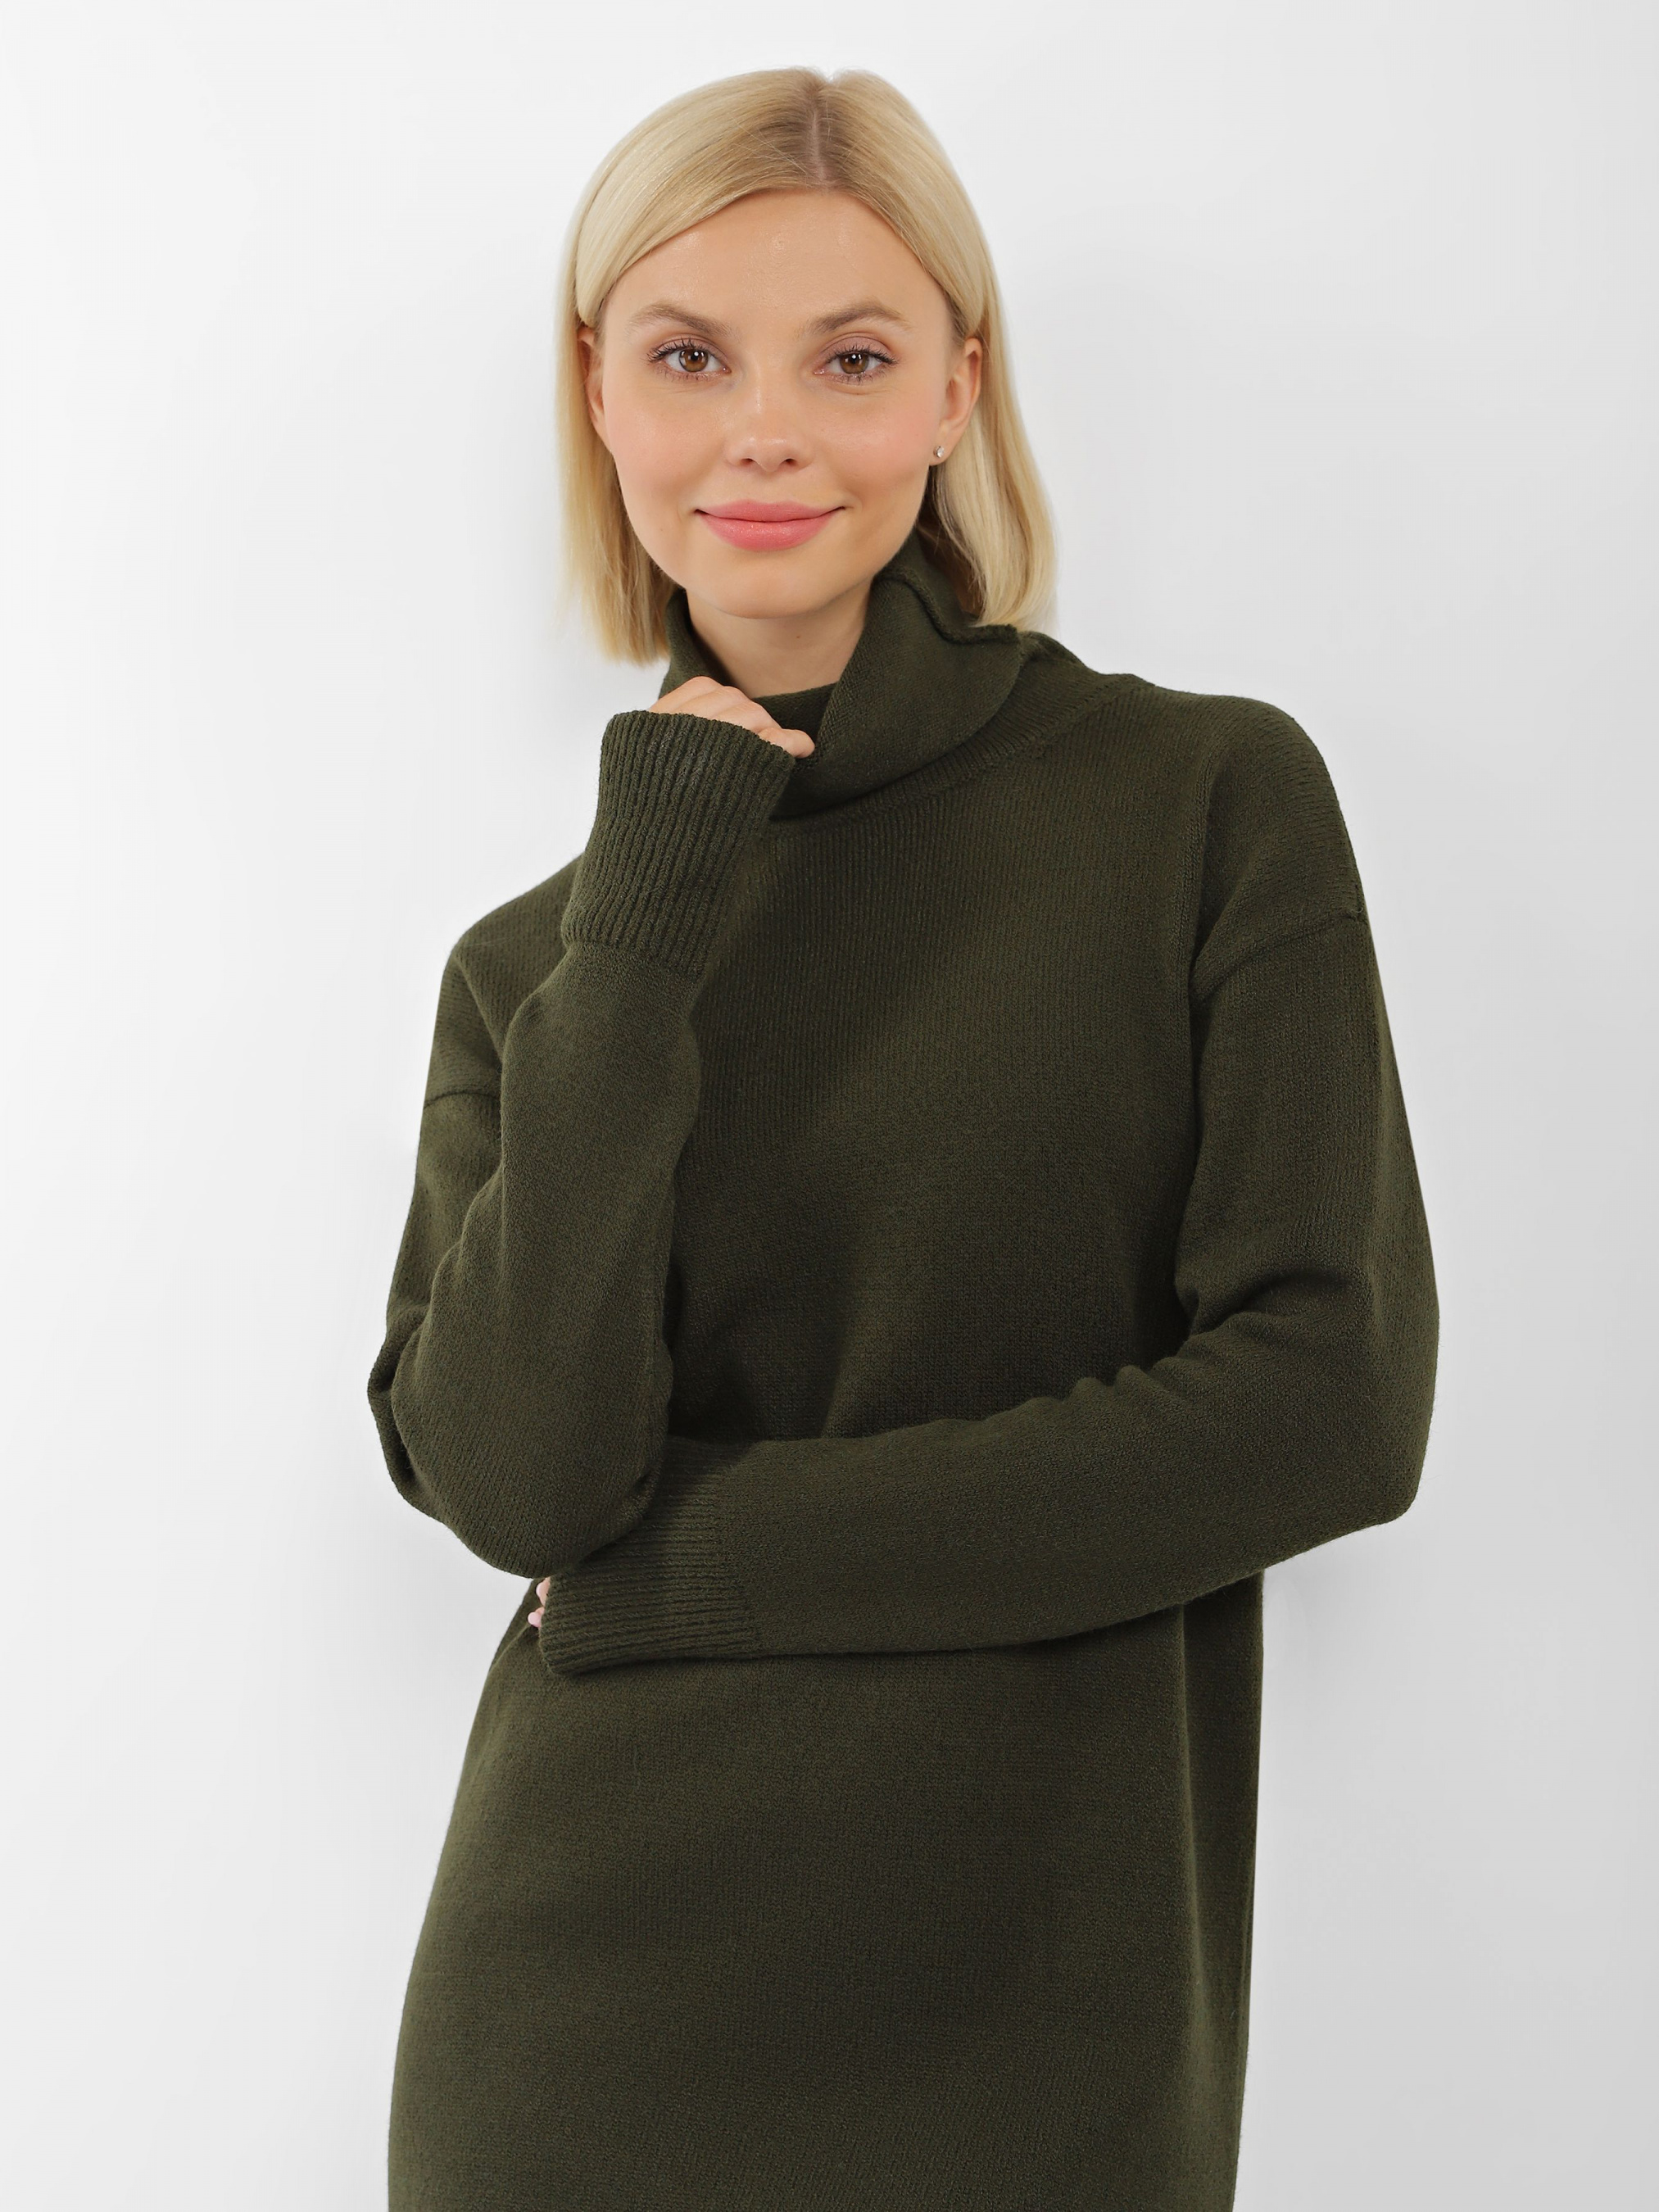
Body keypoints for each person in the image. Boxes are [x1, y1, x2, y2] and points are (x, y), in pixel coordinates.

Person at [365, 63, 1439, 2212]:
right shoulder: (542, 967)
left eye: (848, 358)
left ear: (958, 385)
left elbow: (1325, 1408)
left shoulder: (1202, 805)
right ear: (597, 394)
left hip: (1043, 2029)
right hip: (573, 2045)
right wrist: (652, 891)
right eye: (689, 357)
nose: (764, 428)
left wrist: (695, 1563)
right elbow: (513, 1482)